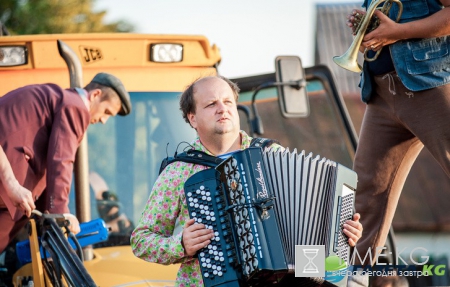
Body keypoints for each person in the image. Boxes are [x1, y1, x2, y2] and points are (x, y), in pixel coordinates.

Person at [130, 76, 363, 286]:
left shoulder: (272, 154)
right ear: (193, 119)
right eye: (211, 104)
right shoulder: (178, 172)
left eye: (228, 102)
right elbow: (141, 240)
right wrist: (180, 244)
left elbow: (302, 233)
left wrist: (342, 237)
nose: (222, 109)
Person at [345, 0, 450, 286]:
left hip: (430, 84)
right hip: (380, 91)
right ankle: (356, 280)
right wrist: (367, 25)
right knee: (366, 196)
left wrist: (398, 32)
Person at [0, 72, 132, 253]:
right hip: (7, 179)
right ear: (95, 95)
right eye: (106, 112)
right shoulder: (75, 106)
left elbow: (49, 165)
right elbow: (61, 159)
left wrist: (47, 214)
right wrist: (61, 211)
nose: (103, 120)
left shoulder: (57, 99)